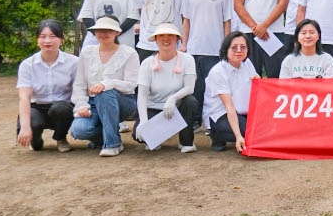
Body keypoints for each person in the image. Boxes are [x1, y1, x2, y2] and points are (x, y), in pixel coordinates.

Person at [68, 15, 140, 156]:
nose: (104, 34)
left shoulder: (129, 53)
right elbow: (79, 84)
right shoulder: (87, 52)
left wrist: (107, 83)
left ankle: (113, 144)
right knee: (78, 131)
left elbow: (131, 85)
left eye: (109, 30)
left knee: (104, 92)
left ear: (117, 32)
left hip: (122, 102)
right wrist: (81, 105)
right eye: (100, 30)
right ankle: (108, 135)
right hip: (92, 103)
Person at [133, 23, 199, 152]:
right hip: (154, 108)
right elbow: (142, 95)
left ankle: (186, 142)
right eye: (161, 35)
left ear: (177, 39)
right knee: (138, 134)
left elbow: (189, 88)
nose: (166, 39)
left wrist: (172, 99)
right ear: (156, 40)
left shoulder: (188, 59)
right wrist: (144, 122)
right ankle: (156, 137)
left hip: (177, 107)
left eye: (170, 35)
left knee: (190, 101)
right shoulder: (147, 63)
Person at [181, 0, 232, 117]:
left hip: (215, 49)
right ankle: (195, 119)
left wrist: (226, 47)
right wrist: (184, 44)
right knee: (196, 86)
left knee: (213, 86)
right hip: (194, 48)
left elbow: (227, 22)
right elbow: (186, 21)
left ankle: (212, 118)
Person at [15, 19, 77, 152]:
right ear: (37, 40)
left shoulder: (73, 62)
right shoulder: (27, 65)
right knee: (34, 133)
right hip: (37, 107)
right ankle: (36, 141)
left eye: (53, 36)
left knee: (61, 109)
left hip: (62, 107)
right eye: (42, 37)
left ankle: (61, 138)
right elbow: (24, 97)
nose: (47, 41)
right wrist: (25, 127)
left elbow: (78, 91)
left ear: (61, 40)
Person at [204, 31, 258, 152]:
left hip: (242, 110)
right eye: (234, 47)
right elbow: (229, 107)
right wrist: (238, 137)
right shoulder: (218, 72)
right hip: (220, 114)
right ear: (226, 49)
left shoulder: (247, 64)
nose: (239, 50)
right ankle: (217, 135)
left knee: (262, 127)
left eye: (243, 47)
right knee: (249, 131)